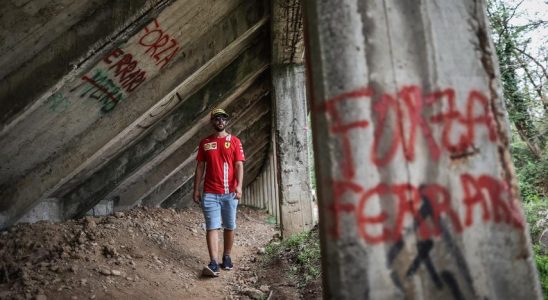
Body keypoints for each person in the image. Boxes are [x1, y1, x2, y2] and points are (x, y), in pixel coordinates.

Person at [193, 108, 245, 277]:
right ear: (212, 122)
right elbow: (200, 166)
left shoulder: (235, 141)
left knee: (229, 226)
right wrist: (196, 189)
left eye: (223, 118)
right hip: (210, 193)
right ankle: (214, 262)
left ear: (226, 121)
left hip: (230, 193)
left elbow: (239, 165)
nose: (220, 121)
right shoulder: (205, 143)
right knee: (212, 226)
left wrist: (239, 187)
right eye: (216, 118)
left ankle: (227, 257)